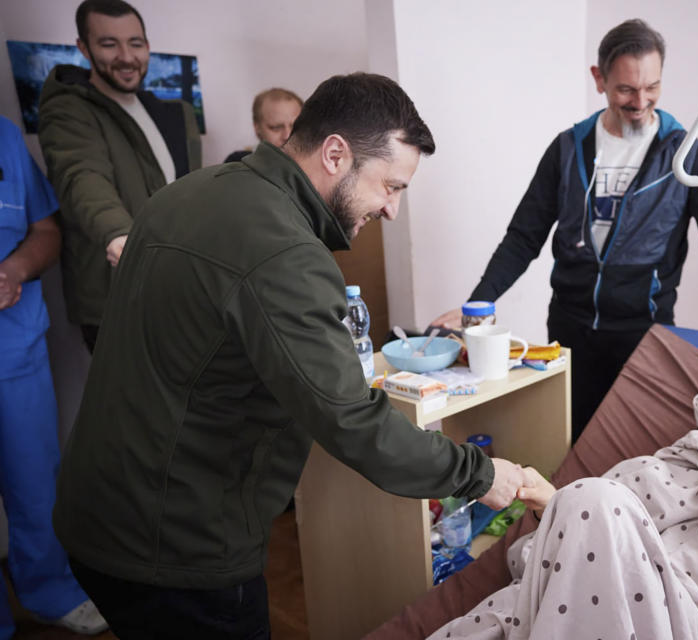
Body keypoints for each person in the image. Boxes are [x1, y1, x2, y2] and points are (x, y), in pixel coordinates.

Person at [52, 72, 528, 638]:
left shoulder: (189, 192)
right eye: (391, 186)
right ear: (334, 154)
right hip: (174, 547)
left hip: (97, 512)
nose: (392, 209)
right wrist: (478, 474)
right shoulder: (285, 252)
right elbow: (352, 421)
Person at [432, 19, 698, 443]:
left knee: (638, 447)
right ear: (599, 79)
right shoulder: (567, 149)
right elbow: (523, 237)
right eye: (626, 89)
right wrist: (478, 304)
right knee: (571, 442)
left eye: (652, 87)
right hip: (571, 332)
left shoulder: (684, 154)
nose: (640, 101)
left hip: (644, 334)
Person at [432, 370, 698, 640]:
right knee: (589, 497)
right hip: (602, 599)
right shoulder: (678, 473)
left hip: (689, 626)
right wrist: (554, 508)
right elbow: (603, 541)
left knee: (594, 497)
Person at [38, 0, 202, 353]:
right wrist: (118, 234)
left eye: (136, 43)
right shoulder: (69, 108)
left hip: (176, 286)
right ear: (84, 47)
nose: (126, 56)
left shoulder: (169, 113)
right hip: (118, 298)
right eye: (109, 44)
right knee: (138, 406)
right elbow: (81, 176)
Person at [0, 116, 108, 637]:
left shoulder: (3, 136)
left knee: (34, 476)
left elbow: (46, 230)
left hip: (13, 343)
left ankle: (49, 590)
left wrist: (13, 271)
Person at [224, 87, 304, 163]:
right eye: (276, 127)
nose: (287, 136)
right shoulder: (237, 164)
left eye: (295, 126)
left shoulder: (312, 166)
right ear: (257, 128)